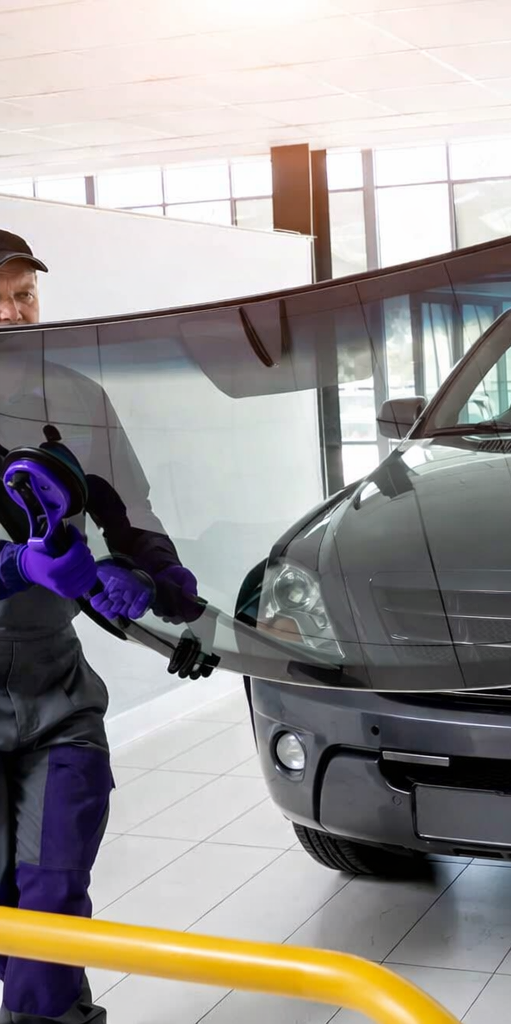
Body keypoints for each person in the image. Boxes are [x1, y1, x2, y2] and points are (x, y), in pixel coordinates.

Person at [0, 230, 198, 1023]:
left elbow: (131, 516)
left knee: (51, 892)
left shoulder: (76, 397)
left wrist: (151, 576)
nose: (14, 313)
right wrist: (17, 566)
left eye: (24, 295)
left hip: (58, 698)